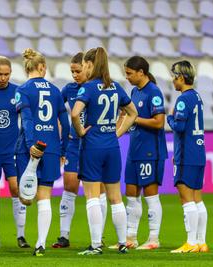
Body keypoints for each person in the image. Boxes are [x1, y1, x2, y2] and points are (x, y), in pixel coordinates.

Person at [72, 47, 138, 255]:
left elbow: (75, 114)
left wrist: (81, 131)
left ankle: (95, 244)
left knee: (92, 196)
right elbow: (132, 113)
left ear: (90, 65)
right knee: (116, 197)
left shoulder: (88, 88)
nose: (83, 68)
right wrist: (117, 132)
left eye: (84, 65)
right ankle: (122, 243)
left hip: (92, 146)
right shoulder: (116, 87)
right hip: (112, 146)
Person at [15, 48, 70, 256]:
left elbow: (27, 120)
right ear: (43, 68)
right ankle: (40, 244)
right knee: (44, 196)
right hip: (52, 148)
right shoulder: (56, 91)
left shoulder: (22, 90)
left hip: (29, 148)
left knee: (25, 197)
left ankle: (32, 239)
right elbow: (64, 123)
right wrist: (63, 149)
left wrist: (31, 144)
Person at [52, 52, 108, 249]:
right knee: (69, 186)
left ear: (87, 68)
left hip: (95, 144)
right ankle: (64, 235)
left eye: (78, 71)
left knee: (98, 189)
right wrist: (65, 132)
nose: (75, 75)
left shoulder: (98, 88)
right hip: (75, 144)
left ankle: (98, 236)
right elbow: (56, 110)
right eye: (72, 71)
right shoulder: (69, 89)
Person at [0, 56, 30, 249]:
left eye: (6, 74)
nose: (3, 78)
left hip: (12, 150)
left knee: (16, 190)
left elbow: (26, 118)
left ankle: (21, 236)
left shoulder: (17, 92)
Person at [122, 56, 167, 250]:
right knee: (131, 194)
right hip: (134, 149)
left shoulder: (154, 93)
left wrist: (134, 119)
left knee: (151, 195)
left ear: (141, 72)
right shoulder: (134, 91)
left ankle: (153, 239)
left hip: (150, 151)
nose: (127, 77)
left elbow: (159, 122)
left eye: (130, 73)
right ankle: (130, 237)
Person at [167, 61, 208, 253]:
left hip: (186, 153)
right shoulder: (197, 97)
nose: (172, 81)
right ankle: (201, 242)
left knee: (186, 198)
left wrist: (169, 118)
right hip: (199, 151)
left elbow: (180, 127)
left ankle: (190, 243)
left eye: (174, 77)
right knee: (197, 198)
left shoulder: (183, 99)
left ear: (181, 78)